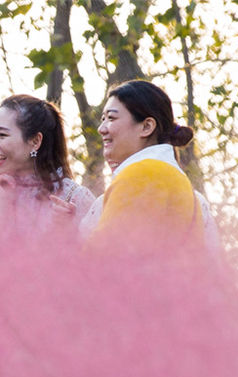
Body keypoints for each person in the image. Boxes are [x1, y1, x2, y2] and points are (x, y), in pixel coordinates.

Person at [80, 80, 219, 252]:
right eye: (103, 119)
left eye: (111, 118)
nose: (101, 128)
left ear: (146, 127)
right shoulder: (187, 191)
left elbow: (101, 258)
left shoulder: (140, 177)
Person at [0, 95, 95, 243]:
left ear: (35, 141)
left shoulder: (75, 198)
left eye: (2, 135)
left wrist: (68, 232)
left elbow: (100, 261)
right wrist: (1, 208)